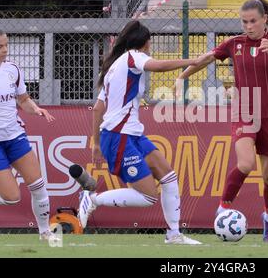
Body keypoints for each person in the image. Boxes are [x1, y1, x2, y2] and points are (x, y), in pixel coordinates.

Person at [77, 20, 209, 244]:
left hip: (130, 134)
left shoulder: (113, 67)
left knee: (168, 177)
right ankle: (93, 199)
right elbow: (157, 66)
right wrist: (192, 61)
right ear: (145, 43)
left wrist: (97, 143)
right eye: (151, 42)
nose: (151, 46)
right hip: (119, 136)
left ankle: (174, 235)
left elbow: (99, 108)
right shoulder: (132, 57)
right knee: (148, 196)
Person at [176, 0, 268, 242]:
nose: (249, 26)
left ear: (264, 19)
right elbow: (207, 58)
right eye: (244, 22)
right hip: (244, 113)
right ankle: (223, 208)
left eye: (253, 21)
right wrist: (182, 76)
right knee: (245, 164)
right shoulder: (234, 43)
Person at [0, 25, 57, 241]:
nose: (5, 50)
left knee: (38, 184)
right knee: (11, 198)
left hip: (15, 136)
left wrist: (36, 109)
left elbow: (23, 100)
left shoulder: (12, 69)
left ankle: (45, 232)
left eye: (6, 45)